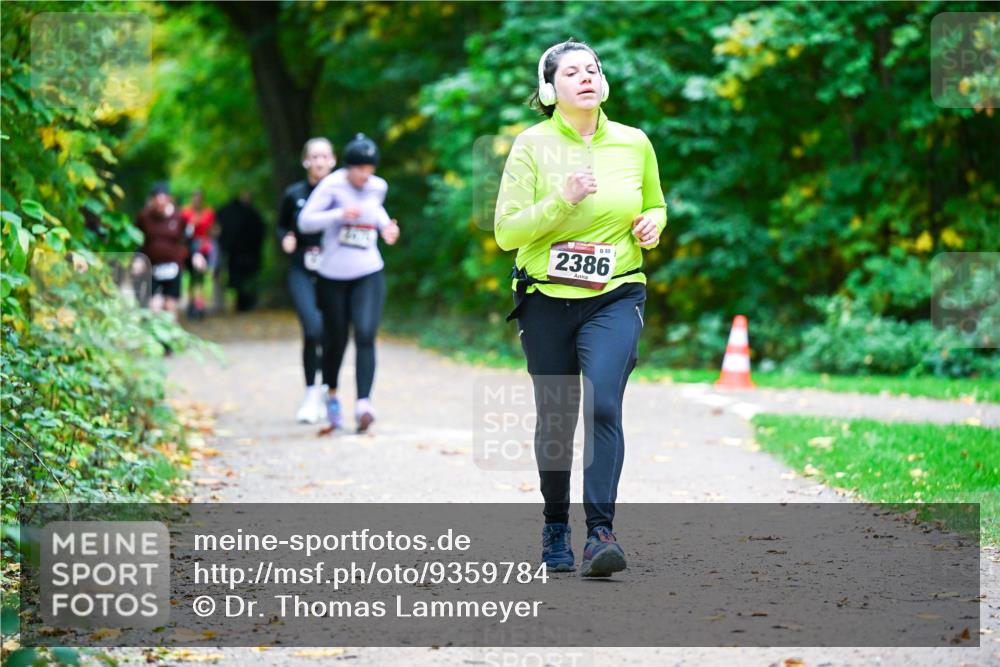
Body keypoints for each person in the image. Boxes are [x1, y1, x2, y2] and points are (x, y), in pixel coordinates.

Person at [494, 40, 666, 577]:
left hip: (616, 293)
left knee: (603, 405)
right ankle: (554, 526)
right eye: (571, 72)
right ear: (550, 89)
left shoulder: (634, 142)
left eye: (592, 69)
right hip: (545, 297)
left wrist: (654, 224)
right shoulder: (531, 145)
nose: (586, 77)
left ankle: (600, 533)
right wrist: (562, 199)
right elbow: (506, 232)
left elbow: (656, 203)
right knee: (557, 416)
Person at [298, 133, 400, 434]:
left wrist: (386, 228)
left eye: (369, 169)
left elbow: (375, 209)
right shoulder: (332, 185)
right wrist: (338, 214)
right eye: (359, 169)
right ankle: (331, 394)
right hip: (332, 275)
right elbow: (305, 221)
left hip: (368, 270)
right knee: (336, 340)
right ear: (348, 167)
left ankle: (363, 404)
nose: (364, 175)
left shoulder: (378, 186)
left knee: (366, 333)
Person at [277, 137, 337, 424]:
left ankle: (327, 391)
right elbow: (281, 225)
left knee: (330, 334)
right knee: (312, 330)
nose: (319, 161)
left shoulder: (341, 194)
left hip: (334, 270)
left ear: (333, 161)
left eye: (324, 156)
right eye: (314, 156)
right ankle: (310, 393)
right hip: (302, 268)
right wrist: (286, 238)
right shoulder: (294, 194)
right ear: (305, 161)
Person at [135, 181, 188, 316]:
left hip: (173, 267)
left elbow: (187, 239)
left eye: (162, 202)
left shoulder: (179, 217)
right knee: (154, 305)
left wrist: (195, 256)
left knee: (170, 305)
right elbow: (137, 239)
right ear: (152, 201)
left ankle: (171, 328)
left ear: (169, 199)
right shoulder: (144, 216)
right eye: (157, 202)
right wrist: (138, 258)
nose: (160, 205)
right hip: (152, 266)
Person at [217, 191, 266, 312]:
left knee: (245, 279)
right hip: (238, 254)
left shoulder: (250, 214)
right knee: (240, 279)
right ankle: (243, 303)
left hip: (246, 253)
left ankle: (245, 302)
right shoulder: (235, 213)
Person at [180, 189, 215, 320]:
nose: (197, 200)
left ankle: (200, 305)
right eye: (195, 197)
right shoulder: (185, 212)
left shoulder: (208, 213)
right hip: (189, 248)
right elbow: (182, 231)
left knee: (200, 277)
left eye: (199, 198)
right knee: (190, 277)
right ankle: (191, 303)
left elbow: (211, 230)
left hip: (203, 248)